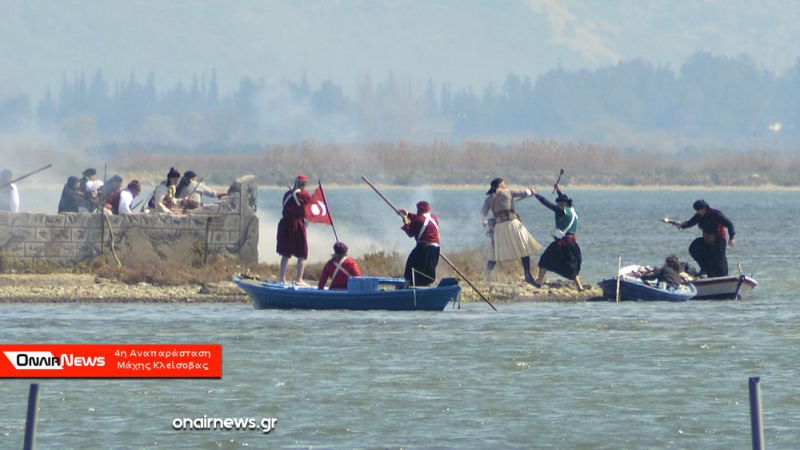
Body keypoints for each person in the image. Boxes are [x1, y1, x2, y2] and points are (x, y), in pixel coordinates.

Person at [480, 178, 541, 283]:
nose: (506, 184)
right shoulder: (508, 191)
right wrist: (531, 191)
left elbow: (482, 215)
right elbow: (525, 192)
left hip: (499, 227)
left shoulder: (489, 199)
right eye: (504, 183)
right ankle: (527, 274)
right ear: (500, 184)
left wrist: (486, 224)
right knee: (524, 248)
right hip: (512, 224)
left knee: (494, 254)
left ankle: (486, 275)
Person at [531, 184, 584, 291]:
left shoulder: (561, 211)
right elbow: (563, 198)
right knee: (572, 266)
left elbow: (547, 204)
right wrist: (558, 190)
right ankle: (580, 287)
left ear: (563, 203)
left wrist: (536, 195)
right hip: (573, 243)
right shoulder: (572, 210)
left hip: (562, 243)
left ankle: (539, 282)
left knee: (544, 259)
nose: (557, 204)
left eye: (559, 203)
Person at [672, 199, 735, 277]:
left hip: (719, 241)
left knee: (719, 261)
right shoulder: (699, 215)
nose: (698, 212)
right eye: (697, 210)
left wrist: (731, 237)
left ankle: (723, 277)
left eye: (699, 210)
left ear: (704, 208)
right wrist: (681, 225)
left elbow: (729, 224)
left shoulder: (716, 214)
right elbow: (690, 222)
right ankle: (704, 268)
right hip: (707, 240)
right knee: (694, 248)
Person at [277, 175, 311, 284]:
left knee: (285, 253)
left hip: (285, 224)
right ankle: (299, 279)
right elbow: (310, 209)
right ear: (303, 184)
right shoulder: (304, 195)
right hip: (297, 224)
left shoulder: (287, 194)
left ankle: (282, 279)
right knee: (302, 253)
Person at [399, 201, 440, 287]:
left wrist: (405, 222)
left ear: (419, 209)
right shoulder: (434, 217)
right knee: (429, 270)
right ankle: (427, 285)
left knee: (411, 265)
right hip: (436, 248)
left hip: (423, 248)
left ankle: (409, 285)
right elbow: (421, 219)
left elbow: (410, 233)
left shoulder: (418, 220)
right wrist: (408, 214)